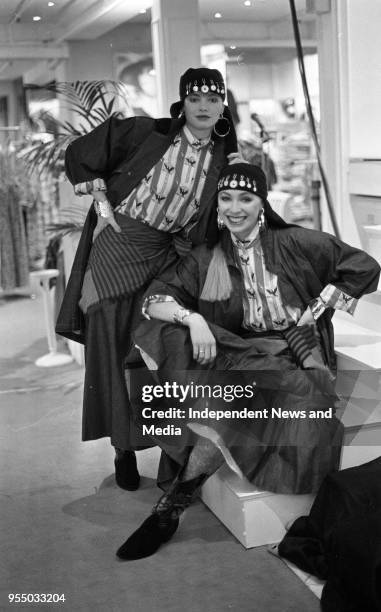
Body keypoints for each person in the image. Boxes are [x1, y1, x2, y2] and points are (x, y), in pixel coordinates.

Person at [116, 162, 380, 560]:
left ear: (262, 203)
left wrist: (318, 306)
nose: (235, 207)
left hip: (295, 350)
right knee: (183, 344)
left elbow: (365, 267)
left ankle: (169, 508)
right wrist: (195, 318)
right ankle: (169, 509)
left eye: (246, 198)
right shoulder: (206, 256)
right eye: (226, 198)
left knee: (249, 400)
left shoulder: (298, 241)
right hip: (240, 350)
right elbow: (156, 300)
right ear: (217, 205)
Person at [55, 67, 240, 491]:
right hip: (117, 246)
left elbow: (235, 211)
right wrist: (101, 203)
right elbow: (81, 152)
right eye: (196, 99)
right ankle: (121, 449)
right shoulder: (147, 132)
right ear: (183, 102)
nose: (205, 107)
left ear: (223, 105)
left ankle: (168, 453)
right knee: (112, 344)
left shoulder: (224, 156)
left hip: (163, 256)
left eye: (213, 99)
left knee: (156, 347)